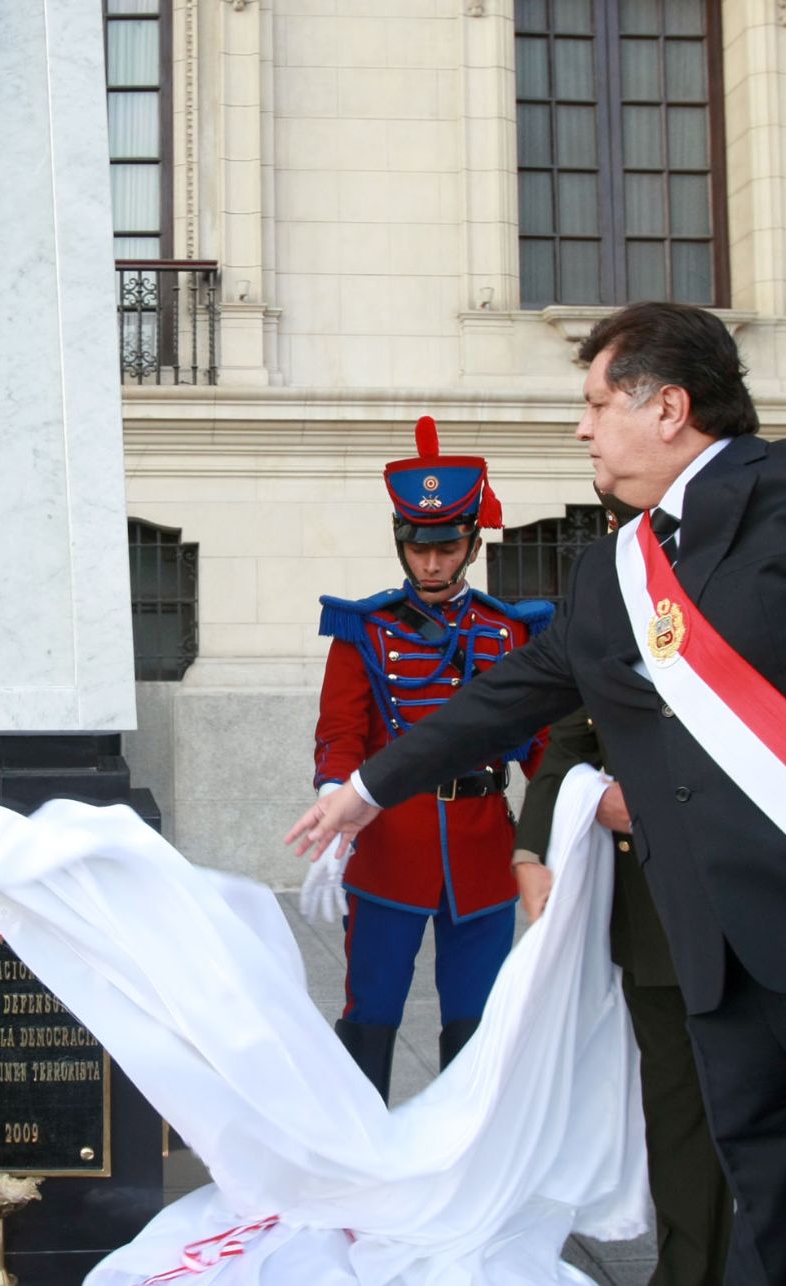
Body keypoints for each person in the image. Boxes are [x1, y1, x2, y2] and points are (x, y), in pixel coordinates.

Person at [289, 302, 786, 1286]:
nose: (581, 427)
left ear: (668, 407)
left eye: (594, 403)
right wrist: (368, 786)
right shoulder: (608, 570)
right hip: (730, 980)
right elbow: (514, 693)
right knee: (782, 1251)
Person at [305, 415, 553, 1100]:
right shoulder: (366, 628)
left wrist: (564, 834)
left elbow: (543, 747)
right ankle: (361, 1161)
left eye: (446, 548)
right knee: (371, 1018)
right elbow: (341, 733)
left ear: (471, 542)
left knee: (476, 1023)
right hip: (390, 845)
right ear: (402, 545)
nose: (432, 563)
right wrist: (335, 802)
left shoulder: (511, 632)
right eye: (420, 549)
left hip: (482, 851)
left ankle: (463, 1160)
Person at [517, 706, 732, 1286]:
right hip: (656, 921)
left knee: (785, 1120)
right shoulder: (615, 626)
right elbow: (569, 745)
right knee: (679, 1118)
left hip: (760, 905)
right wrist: (530, 850)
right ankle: (689, 1274)